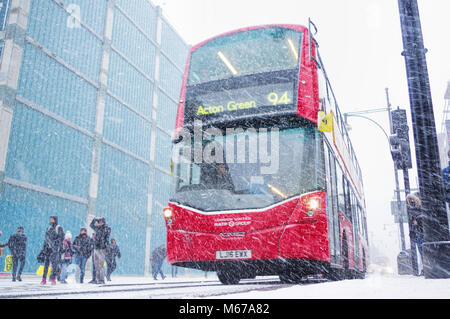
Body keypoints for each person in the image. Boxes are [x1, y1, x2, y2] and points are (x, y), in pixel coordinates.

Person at [41, 216, 64, 285]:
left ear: (55, 220)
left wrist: (54, 244)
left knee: (54, 265)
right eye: (50, 219)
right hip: (48, 249)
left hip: (55, 249)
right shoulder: (49, 228)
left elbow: (61, 238)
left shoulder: (58, 228)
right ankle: (44, 278)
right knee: (46, 264)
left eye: (52, 219)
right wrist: (44, 248)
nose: (51, 221)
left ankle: (53, 278)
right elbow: (46, 238)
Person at [406, 193, 425, 275]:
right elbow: (411, 222)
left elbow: (420, 218)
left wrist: (416, 220)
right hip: (417, 232)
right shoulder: (411, 208)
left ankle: (425, 267)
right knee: (421, 251)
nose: (411, 201)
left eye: (411, 199)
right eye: (409, 199)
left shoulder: (418, 207)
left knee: (422, 251)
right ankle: (424, 267)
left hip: (420, 232)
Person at [90, 217, 111, 284]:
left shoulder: (106, 228)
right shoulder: (98, 229)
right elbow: (91, 225)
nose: (98, 224)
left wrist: (102, 222)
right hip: (96, 248)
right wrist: (95, 219)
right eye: (98, 223)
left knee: (101, 265)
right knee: (96, 265)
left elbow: (105, 233)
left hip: (102, 248)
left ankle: (101, 279)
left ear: (103, 223)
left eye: (99, 222)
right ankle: (97, 279)